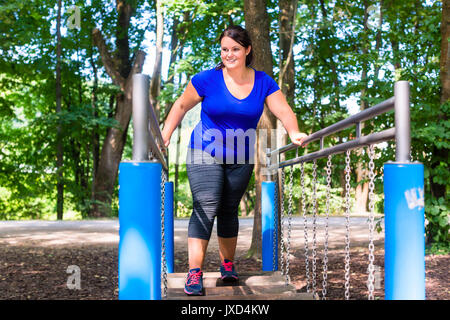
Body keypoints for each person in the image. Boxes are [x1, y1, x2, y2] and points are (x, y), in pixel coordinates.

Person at [161, 25, 307, 296]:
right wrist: (165, 136)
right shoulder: (207, 79)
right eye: (225, 49)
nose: (229, 54)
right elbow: (181, 105)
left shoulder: (263, 81)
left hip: (241, 155)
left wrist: (293, 130)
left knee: (228, 210)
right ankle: (195, 273)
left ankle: (228, 265)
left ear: (247, 50)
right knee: (207, 203)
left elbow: (282, 109)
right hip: (204, 150)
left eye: (235, 49)